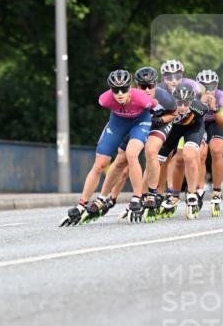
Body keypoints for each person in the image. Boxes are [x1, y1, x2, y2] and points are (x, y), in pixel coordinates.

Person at [60, 69, 156, 226]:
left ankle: (137, 197)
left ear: (130, 87)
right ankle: (81, 204)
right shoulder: (104, 99)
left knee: (132, 154)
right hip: (117, 123)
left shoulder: (142, 98)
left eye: (124, 89)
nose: (119, 93)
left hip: (140, 122)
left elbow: (155, 106)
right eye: (115, 90)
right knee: (99, 164)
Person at [86, 66, 176, 222]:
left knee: (151, 151)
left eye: (151, 86)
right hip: (138, 124)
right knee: (122, 159)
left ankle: (152, 193)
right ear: (136, 86)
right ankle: (106, 198)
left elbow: (174, 113)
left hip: (159, 123)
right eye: (143, 86)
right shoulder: (131, 95)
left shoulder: (164, 97)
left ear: (156, 84)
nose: (147, 90)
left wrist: (161, 120)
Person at [145, 82, 208, 220]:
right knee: (158, 160)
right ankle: (154, 193)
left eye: (186, 104)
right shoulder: (168, 104)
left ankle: (192, 194)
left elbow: (205, 120)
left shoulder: (200, 108)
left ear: (192, 101)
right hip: (174, 129)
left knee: (189, 155)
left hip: (193, 129)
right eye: (179, 103)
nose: (183, 107)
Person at [196, 69, 223, 216]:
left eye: (211, 86)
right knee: (200, 154)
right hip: (201, 123)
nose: (208, 90)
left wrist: (214, 108)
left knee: (216, 151)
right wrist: (200, 104)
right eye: (204, 86)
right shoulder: (194, 95)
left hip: (218, 121)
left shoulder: (222, 97)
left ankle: (216, 190)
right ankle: (199, 189)